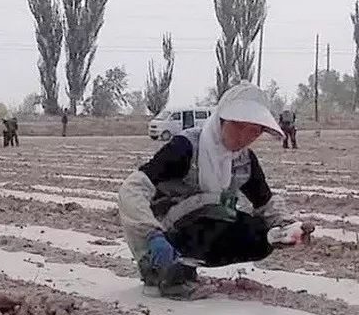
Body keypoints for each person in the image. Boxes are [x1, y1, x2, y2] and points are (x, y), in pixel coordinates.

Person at [117, 83, 316, 300]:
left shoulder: (243, 160)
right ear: (222, 120)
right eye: (239, 127)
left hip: (203, 219)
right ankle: (160, 273)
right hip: (162, 230)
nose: (245, 137)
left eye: (254, 131)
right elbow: (132, 188)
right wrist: (151, 234)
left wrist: (286, 228)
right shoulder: (186, 147)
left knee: (261, 235)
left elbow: (265, 202)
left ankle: (183, 269)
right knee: (209, 214)